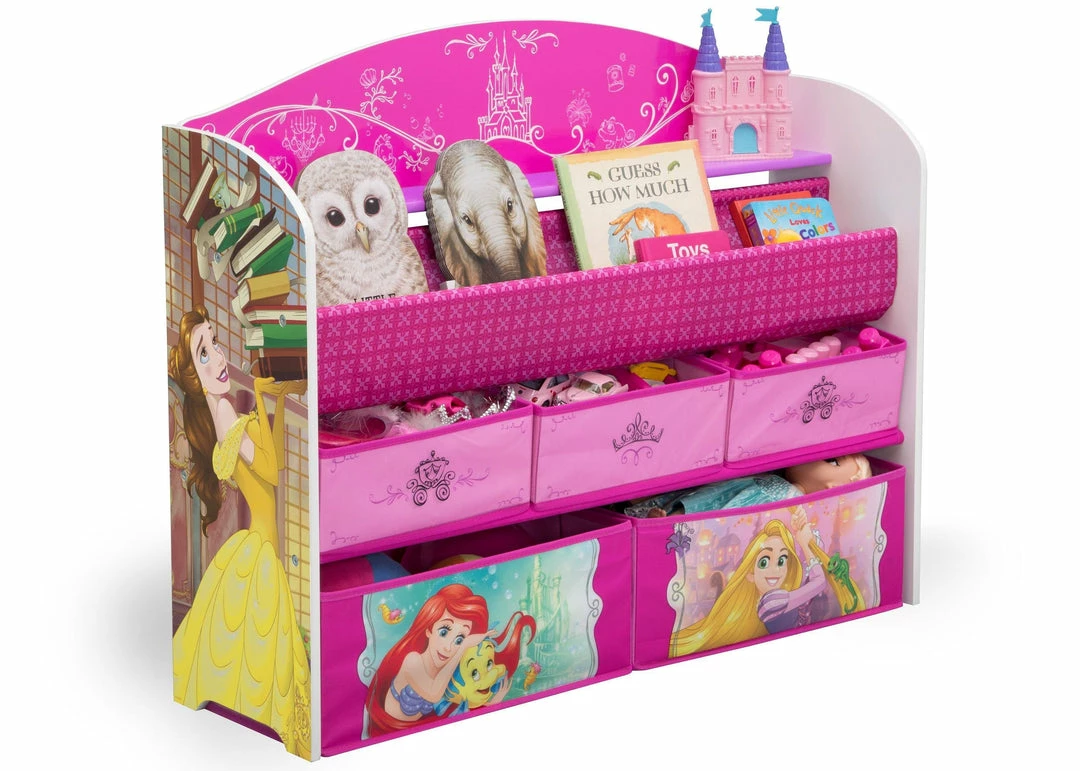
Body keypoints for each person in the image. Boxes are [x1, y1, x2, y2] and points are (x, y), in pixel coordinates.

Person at [169, 306, 311, 758]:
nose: (218, 356)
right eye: (204, 353)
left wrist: (273, 399)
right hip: (262, 547)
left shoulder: (222, 410)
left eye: (214, 342)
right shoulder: (227, 411)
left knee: (246, 636)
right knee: (263, 638)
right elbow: (270, 470)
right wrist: (268, 400)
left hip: (259, 542)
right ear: (194, 377)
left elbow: (270, 466)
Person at [669, 509, 865, 658]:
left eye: (782, 560)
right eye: (764, 562)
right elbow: (819, 582)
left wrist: (803, 532)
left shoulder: (782, 592)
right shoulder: (770, 603)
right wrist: (805, 545)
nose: (775, 570)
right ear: (750, 574)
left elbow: (811, 570)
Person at [365, 584, 535, 737]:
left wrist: (491, 704)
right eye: (444, 632)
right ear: (429, 629)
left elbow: (456, 706)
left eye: (459, 639)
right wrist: (463, 646)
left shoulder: (447, 667)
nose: (448, 647)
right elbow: (434, 694)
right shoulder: (412, 660)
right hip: (388, 734)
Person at [624, 454, 872, 518]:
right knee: (702, 495)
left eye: (832, 461)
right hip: (728, 491)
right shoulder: (781, 480)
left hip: (727, 506)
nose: (823, 455)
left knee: (705, 503)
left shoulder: (788, 494)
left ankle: (669, 520)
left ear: (830, 488)